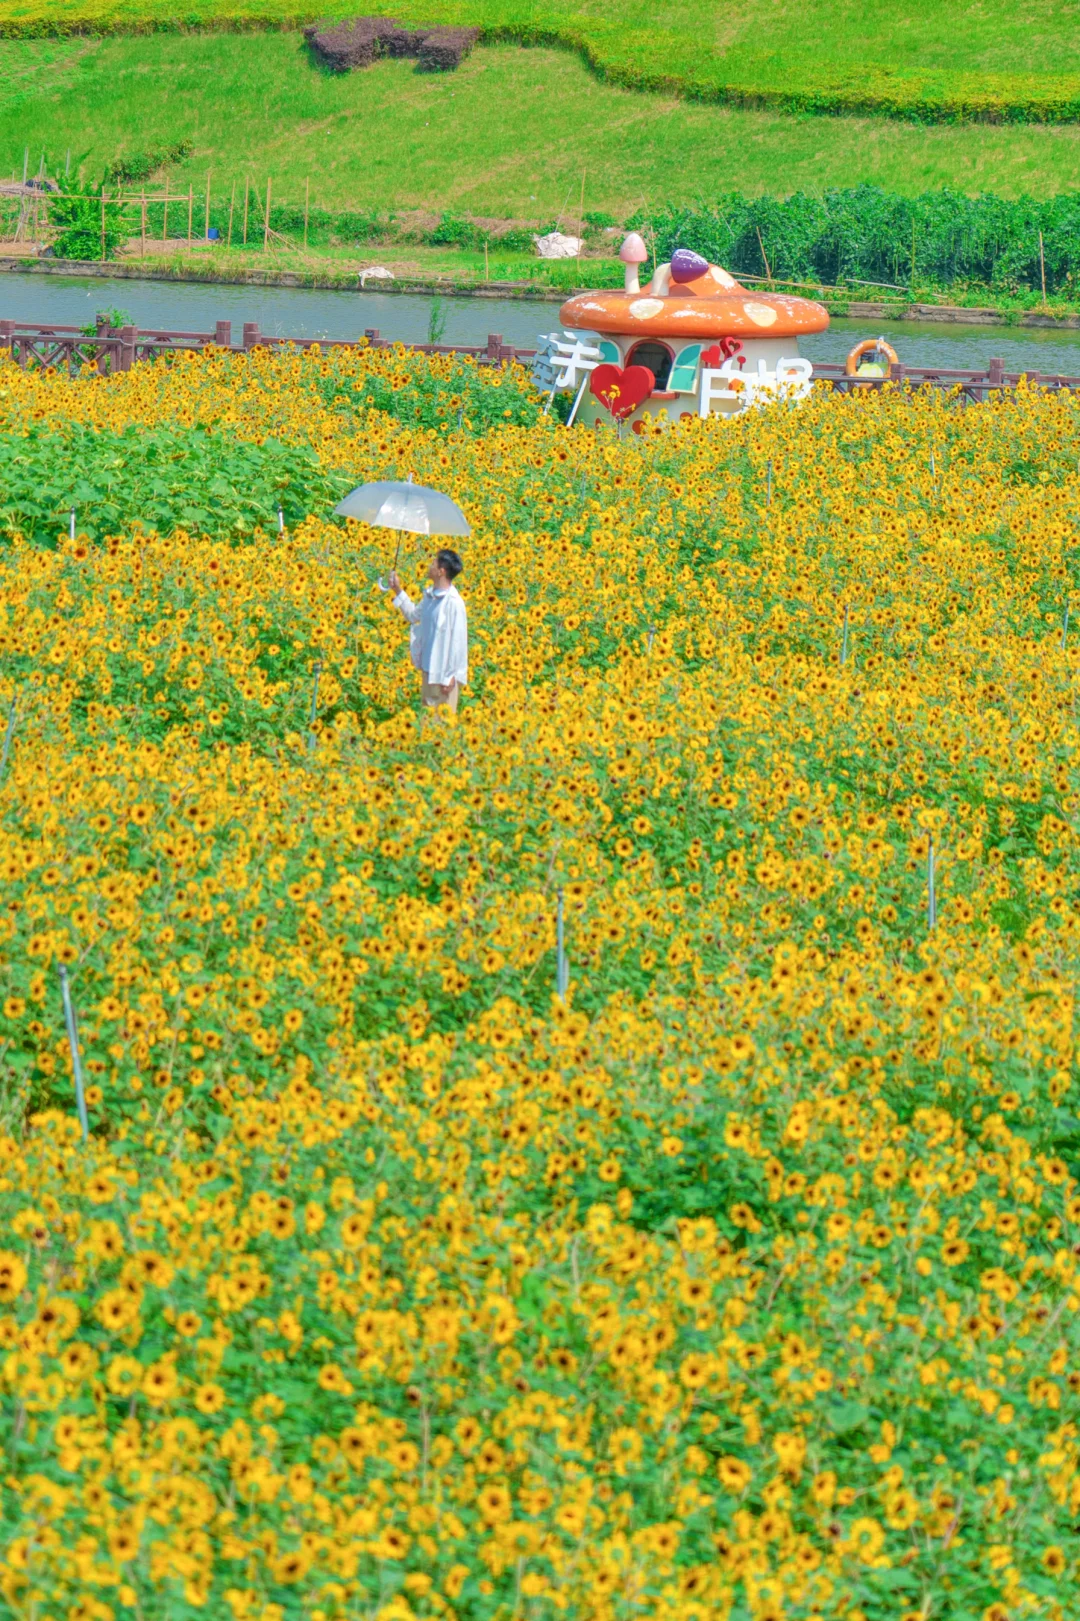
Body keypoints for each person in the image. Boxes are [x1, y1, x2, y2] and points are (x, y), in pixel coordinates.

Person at [389, 549, 468, 713]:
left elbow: (459, 642)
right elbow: (412, 615)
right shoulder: (430, 596)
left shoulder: (454, 603)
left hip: (445, 679)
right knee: (427, 725)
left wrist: (452, 676)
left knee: (442, 727)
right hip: (428, 670)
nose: (429, 566)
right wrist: (397, 589)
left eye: (433, 563)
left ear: (441, 571)